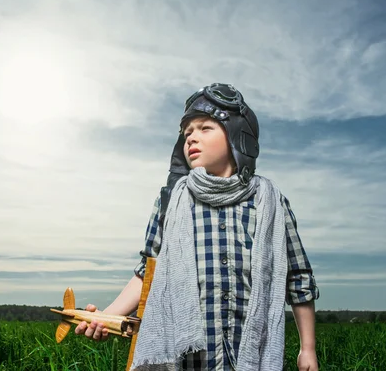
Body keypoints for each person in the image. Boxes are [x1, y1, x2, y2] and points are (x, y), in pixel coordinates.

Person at [75, 83, 320, 371]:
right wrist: (104, 318)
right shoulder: (171, 200)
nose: (192, 138)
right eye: (187, 132)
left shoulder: (271, 203)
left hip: (249, 352)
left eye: (205, 128)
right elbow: (148, 272)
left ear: (238, 137)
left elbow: (299, 279)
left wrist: (308, 348)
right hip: (189, 358)